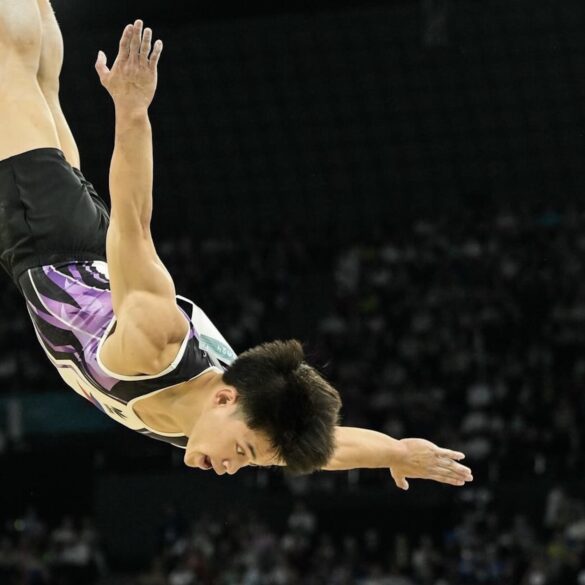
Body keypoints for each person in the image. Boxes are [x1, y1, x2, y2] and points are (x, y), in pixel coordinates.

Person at [0, 2, 473, 488]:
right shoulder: (154, 343)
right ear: (224, 399)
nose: (234, 466)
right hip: (45, 235)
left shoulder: (247, 410)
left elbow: (334, 447)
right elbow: (133, 222)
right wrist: (132, 109)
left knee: (40, 81)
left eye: (251, 461)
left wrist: (396, 452)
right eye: (244, 453)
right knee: (12, 64)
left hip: (73, 248)